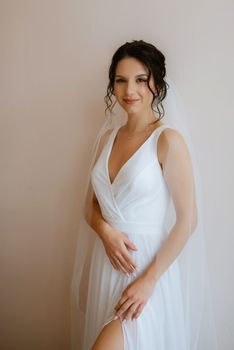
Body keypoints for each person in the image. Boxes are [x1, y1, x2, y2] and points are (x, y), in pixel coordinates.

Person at [70, 40, 218, 350]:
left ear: (157, 83)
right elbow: (90, 206)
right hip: (106, 264)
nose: (129, 90)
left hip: (147, 270)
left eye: (140, 79)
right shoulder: (106, 140)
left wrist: (149, 281)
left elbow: (188, 220)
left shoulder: (167, 140)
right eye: (120, 80)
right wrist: (106, 232)